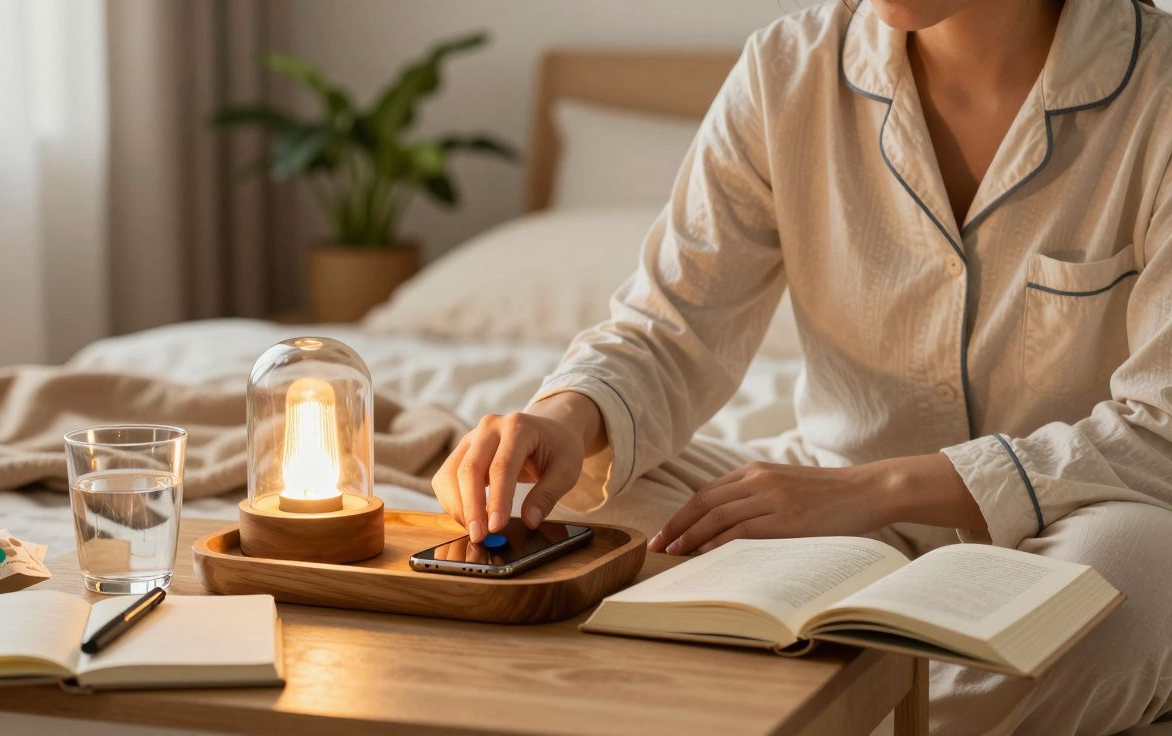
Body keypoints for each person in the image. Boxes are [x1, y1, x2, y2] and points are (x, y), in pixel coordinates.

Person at [431, 0, 1172, 732]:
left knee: (1133, 581)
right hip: (828, 521)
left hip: (1078, 516)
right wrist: (567, 414)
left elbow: (1161, 430)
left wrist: (876, 488)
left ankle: (768, 706)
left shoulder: (1158, 86)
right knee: (549, 504)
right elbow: (673, 323)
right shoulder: (787, 69)